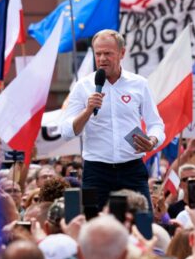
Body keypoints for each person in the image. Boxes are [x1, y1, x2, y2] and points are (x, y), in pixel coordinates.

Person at [60, 29, 165, 210]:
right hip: (96, 171)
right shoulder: (83, 86)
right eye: (98, 53)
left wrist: (152, 140)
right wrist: (87, 111)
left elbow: (156, 124)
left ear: (122, 53)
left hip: (132, 169)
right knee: (92, 224)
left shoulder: (139, 84)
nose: (102, 59)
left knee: (143, 223)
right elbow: (67, 132)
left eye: (108, 53)